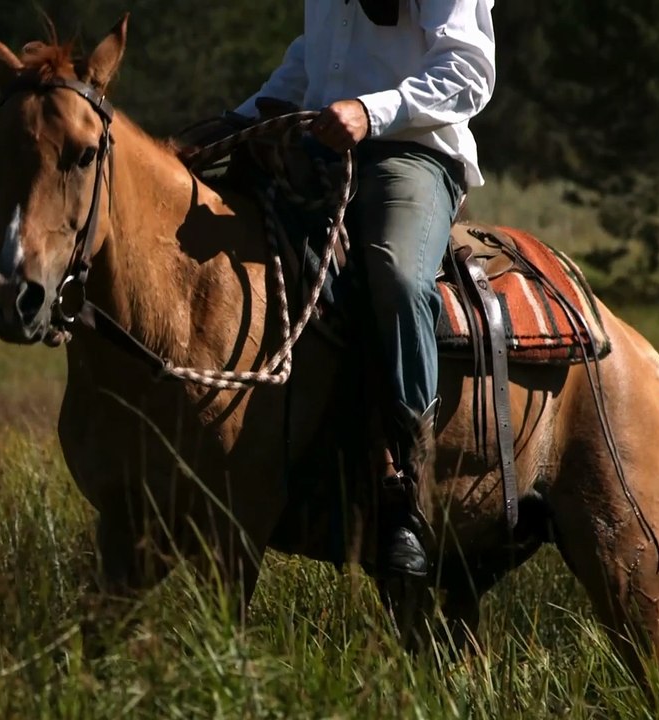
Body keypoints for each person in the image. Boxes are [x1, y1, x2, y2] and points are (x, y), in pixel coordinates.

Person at [234, 0, 496, 580]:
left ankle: (406, 487)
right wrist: (236, 121)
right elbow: (314, 61)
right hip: (320, 149)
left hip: (413, 151)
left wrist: (370, 112)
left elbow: (470, 71)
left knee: (396, 274)